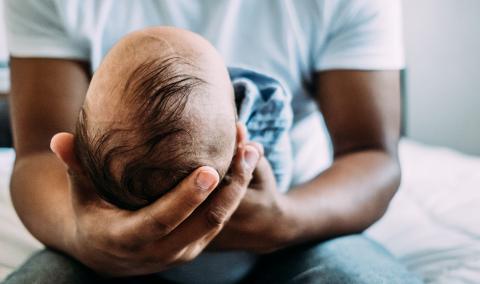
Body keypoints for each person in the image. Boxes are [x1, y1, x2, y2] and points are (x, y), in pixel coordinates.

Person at [4, 0, 422, 283]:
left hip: (301, 224)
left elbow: (372, 154)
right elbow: (41, 153)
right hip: (110, 241)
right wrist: (89, 238)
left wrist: (284, 221)